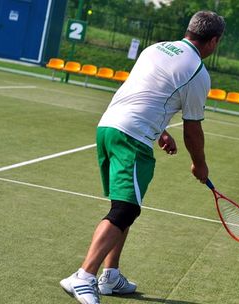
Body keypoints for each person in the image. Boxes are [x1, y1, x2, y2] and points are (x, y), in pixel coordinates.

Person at [60, 11, 225, 304]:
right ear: (213, 41)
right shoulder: (198, 72)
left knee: (125, 205)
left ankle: (110, 275)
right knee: (125, 210)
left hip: (109, 127)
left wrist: (160, 131)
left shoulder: (156, 48)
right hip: (131, 137)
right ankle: (84, 276)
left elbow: (147, 91)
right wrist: (199, 164)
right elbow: (193, 129)